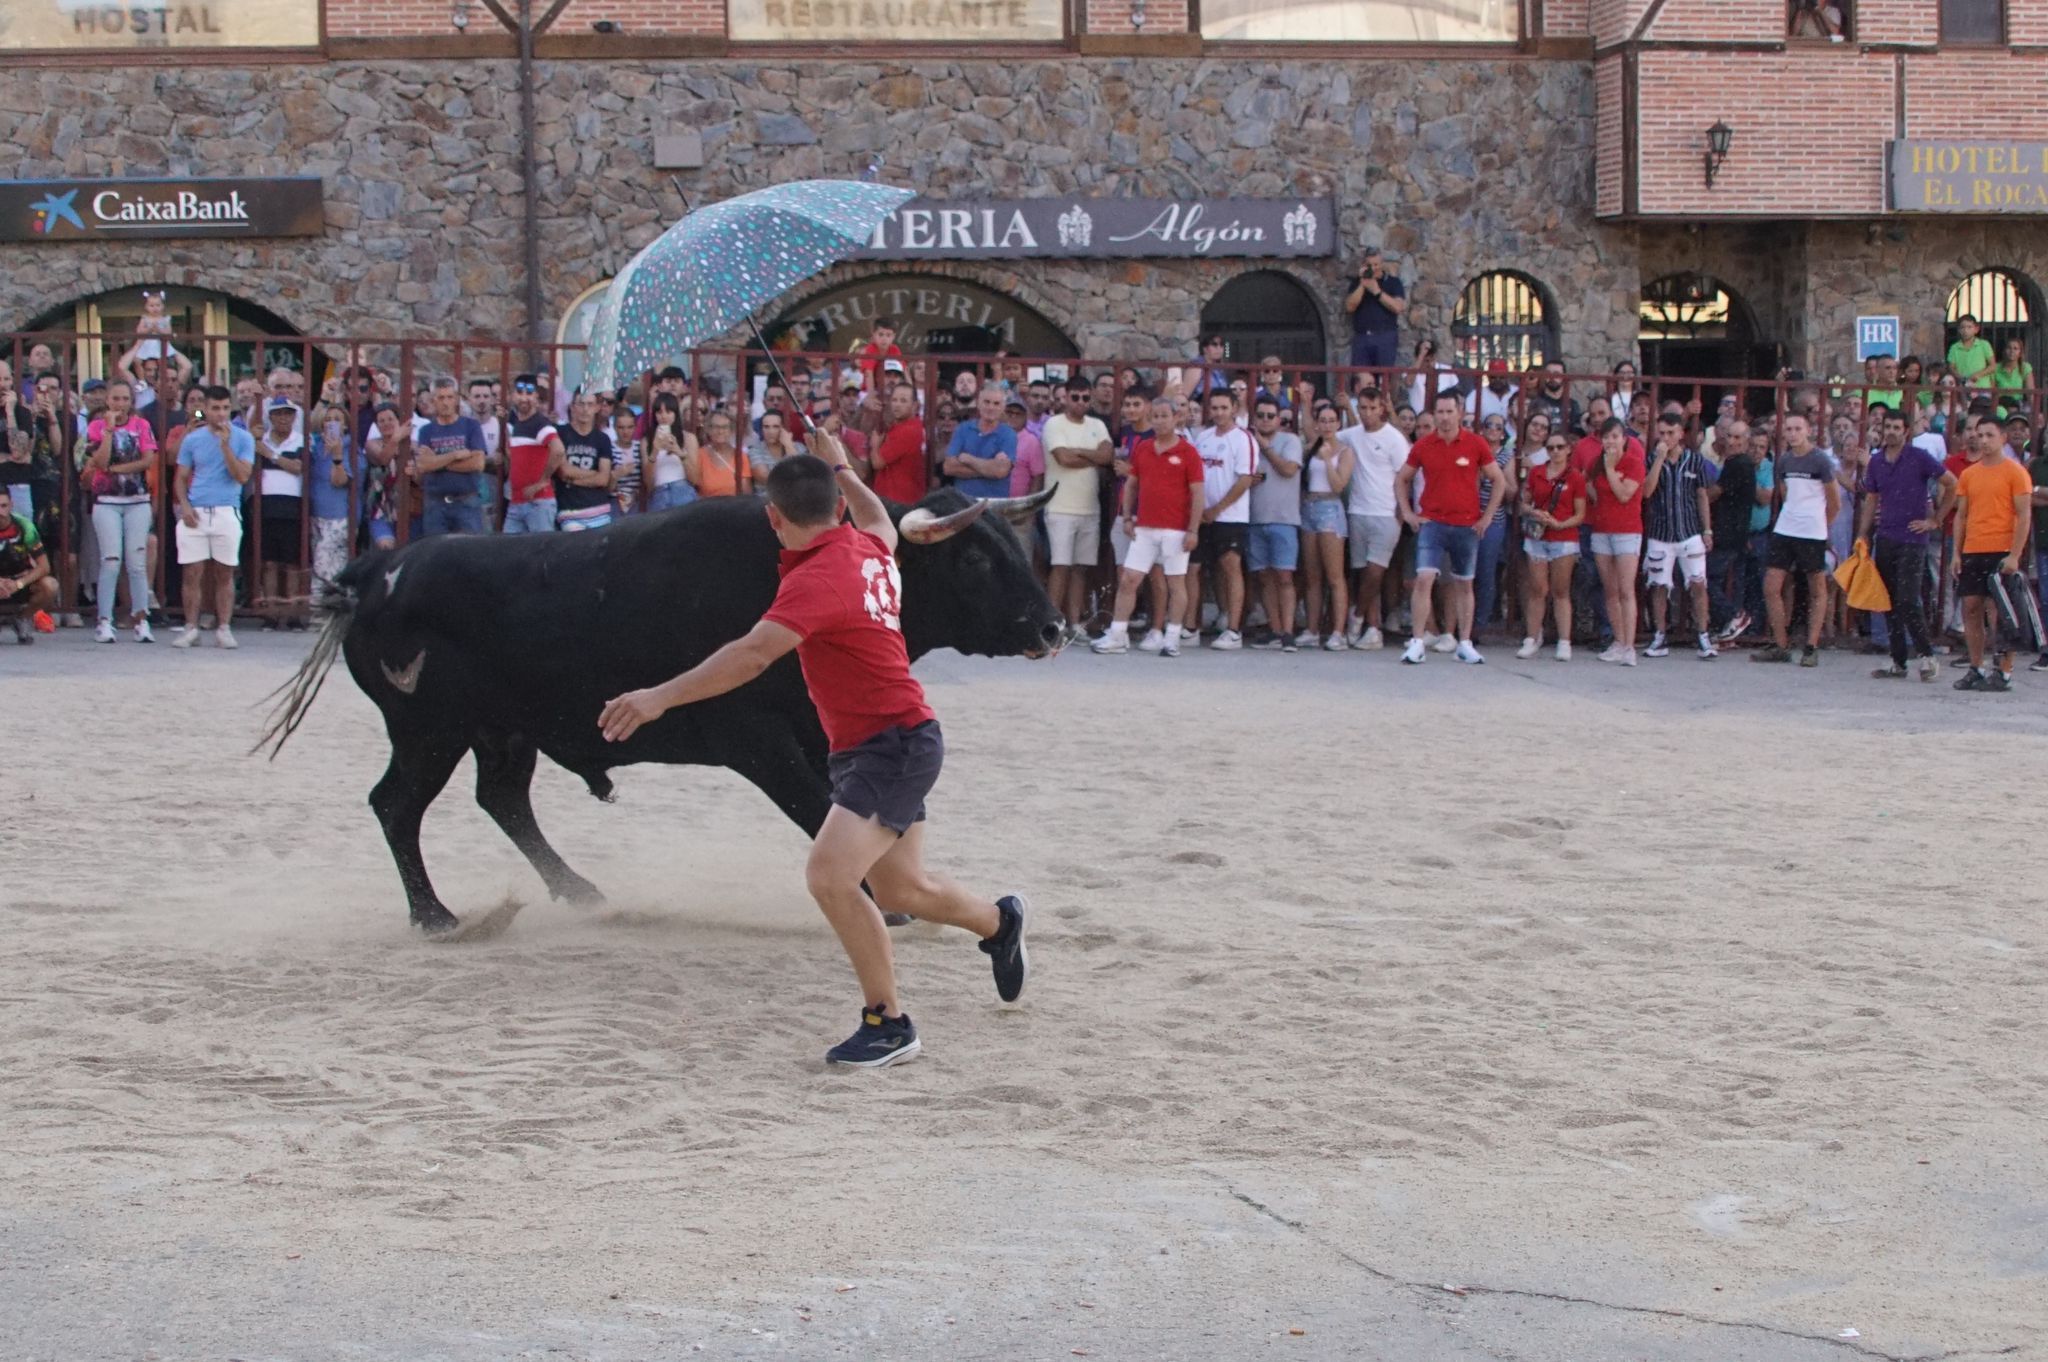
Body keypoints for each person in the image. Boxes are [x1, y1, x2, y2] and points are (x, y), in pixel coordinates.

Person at [597, 440, 1029, 1069]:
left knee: (830, 877)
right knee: (902, 887)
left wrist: (658, 697)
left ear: (774, 517)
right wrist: (845, 465)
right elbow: (879, 518)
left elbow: (749, 656)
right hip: (888, 741)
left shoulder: (817, 579)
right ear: (836, 507)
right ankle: (1000, 923)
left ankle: (888, 1022)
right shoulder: (869, 547)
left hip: (892, 746)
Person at [1396, 391, 1511, 665]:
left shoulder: (1476, 444)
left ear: (1460, 412)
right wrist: (1409, 513)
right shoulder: (1424, 445)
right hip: (1432, 522)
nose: (1445, 418)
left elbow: (1499, 481)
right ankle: (1417, 642)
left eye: (1450, 412)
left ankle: (1465, 642)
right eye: (1440, 412)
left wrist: (1486, 517)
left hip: (1466, 525)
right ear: (1434, 414)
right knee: (1424, 579)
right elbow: (1402, 479)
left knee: (1463, 583)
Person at [1094, 394, 1205, 658]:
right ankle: (1118, 635)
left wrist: (1193, 530)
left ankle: (1172, 637)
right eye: (1155, 416)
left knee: (1175, 582)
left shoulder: (1188, 452)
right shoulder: (1143, 448)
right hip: (1144, 527)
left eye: (1165, 416)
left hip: (1176, 529)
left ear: (1176, 418)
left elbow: (1198, 493)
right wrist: (1129, 516)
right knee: (1129, 579)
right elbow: (1132, 485)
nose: (1159, 421)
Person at [1858, 406, 1954, 682]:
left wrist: (1935, 520)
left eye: (1896, 428)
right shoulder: (1876, 461)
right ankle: (1899, 661)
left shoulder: (1919, 457)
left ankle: (1927, 656)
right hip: (1886, 535)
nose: (1890, 432)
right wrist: (1864, 533)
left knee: (1908, 599)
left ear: (1907, 431)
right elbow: (1872, 499)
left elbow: (1952, 483)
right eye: (1887, 427)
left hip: (1913, 537)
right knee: (1888, 600)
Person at [1950, 418, 2033, 691]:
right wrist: (1957, 553)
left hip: (2001, 550)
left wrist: (2014, 555)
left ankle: (2004, 670)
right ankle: (1977, 667)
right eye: (1979, 435)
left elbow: (2023, 515)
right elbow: (1961, 516)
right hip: (1974, 549)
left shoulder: (2015, 472)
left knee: (2001, 613)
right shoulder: (1969, 475)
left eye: (1989, 435)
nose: (1983, 440)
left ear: (2003, 438)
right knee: (1971, 609)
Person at [1752, 413, 1840, 666]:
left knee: (1817, 588)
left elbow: (1834, 500)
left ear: (1808, 430)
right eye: (1788, 429)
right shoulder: (1785, 460)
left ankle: (1811, 646)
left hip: (1812, 531)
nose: (1792, 434)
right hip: (1786, 527)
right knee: (1771, 586)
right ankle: (1781, 644)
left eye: (1797, 429)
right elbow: (1785, 493)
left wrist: (1822, 524)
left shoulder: (1820, 460)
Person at [172, 386, 256, 649]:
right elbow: (181, 478)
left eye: (225, 408)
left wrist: (226, 446)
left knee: (225, 572)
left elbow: (242, 476)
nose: (221, 414)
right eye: (215, 408)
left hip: (226, 510)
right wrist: (184, 505)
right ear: (205, 409)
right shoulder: (192, 439)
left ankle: (224, 627)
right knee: (192, 573)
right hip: (196, 510)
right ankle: (191, 627)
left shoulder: (243, 438)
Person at [85, 379, 159, 643]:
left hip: (137, 500)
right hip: (106, 501)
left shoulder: (142, 425)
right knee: (111, 560)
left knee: (137, 563)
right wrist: (108, 431)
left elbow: (147, 460)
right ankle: (105, 621)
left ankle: (141, 619)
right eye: (115, 399)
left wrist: (116, 470)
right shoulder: (95, 426)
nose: (120, 404)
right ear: (108, 400)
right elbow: (100, 461)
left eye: (125, 399)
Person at [1640, 412, 1719, 660]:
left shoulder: (1694, 461)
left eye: (1670, 433)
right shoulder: (1652, 458)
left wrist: (1707, 529)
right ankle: (1660, 634)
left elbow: (1701, 496)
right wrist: (1658, 460)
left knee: (1698, 583)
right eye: (1662, 433)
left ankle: (1702, 634)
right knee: (1659, 585)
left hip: (1689, 531)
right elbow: (1647, 491)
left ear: (1680, 433)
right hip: (1661, 533)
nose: (1666, 438)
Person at [1038, 378, 1113, 640]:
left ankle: (1075, 623)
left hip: (1090, 508)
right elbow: (1063, 458)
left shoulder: (1098, 425)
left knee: (1081, 568)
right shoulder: (1054, 424)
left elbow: (1107, 456)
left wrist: (1081, 452)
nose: (1080, 402)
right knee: (1060, 566)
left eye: (1084, 397)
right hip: (1060, 506)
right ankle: (1052, 623)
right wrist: (1092, 455)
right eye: (1075, 397)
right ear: (1065, 398)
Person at [1338, 384, 1408, 649]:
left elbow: (1404, 477)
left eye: (1372, 408)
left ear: (1382, 408)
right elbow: (1327, 438)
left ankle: (1357, 616)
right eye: (1363, 408)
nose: (1367, 413)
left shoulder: (1394, 439)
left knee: (1375, 572)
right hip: (1357, 511)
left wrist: (1401, 514)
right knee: (1362, 571)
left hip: (1385, 513)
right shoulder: (1352, 435)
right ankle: (1373, 628)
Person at [1190, 388, 1259, 650]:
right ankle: (1190, 627)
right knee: (1193, 569)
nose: (1219, 413)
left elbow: (1245, 480)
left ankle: (1233, 630)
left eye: (1223, 408)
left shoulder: (1244, 439)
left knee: (1231, 568)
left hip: (1231, 516)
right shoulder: (1203, 437)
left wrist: (1217, 509)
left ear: (1233, 408)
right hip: (1202, 516)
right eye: (1214, 408)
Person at [1516, 430, 1586, 659]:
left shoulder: (1575, 477)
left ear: (1568, 449)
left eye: (1559, 447)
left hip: (1563, 537)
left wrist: (1559, 524)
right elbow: (1523, 503)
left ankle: (1564, 641)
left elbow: (1580, 513)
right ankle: (1532, 637)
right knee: (1537, 590)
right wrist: (1534, 512)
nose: (1555, 452)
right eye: (1550, 448)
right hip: (1538, 536)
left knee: (1560, 590)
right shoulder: (1536, 473)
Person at [1583, 418, 1646, 665]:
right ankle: (1618, 641)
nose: (1610, 441)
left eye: (1615, 436)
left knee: (1625, 589)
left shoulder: (1633, 464)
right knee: (1609, 589)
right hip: (1601, 530)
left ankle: (1630, 646)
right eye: (1606, 437)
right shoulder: (1595, 464)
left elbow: (1623, 494)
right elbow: (1587, 482)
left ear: (1624, 439)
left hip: (1627, 531)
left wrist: (1610, 469)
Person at [1243, 396, 1304, 650]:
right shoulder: (1247, 443)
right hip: (1256, 518)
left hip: (1284, 519)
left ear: (1279, 419)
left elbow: (1289, 470)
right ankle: (1275, 629)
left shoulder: (1289, 440)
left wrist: (1264, 446)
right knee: (1265, 578)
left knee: (1285, 576)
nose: (1265, 420)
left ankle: (1288, 631)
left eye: (1270, 416)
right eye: (1261, 415)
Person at [1295, 403, 1353, 652]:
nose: (1327, 425)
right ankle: (1312, 629)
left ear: (1338, 424)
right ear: (1317, 424)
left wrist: (1328, 461)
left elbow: (1339, 485)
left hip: (1330, 508)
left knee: (1335, 575)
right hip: (1309, 508)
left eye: (1332, 420)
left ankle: (1338, 632)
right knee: (1312, 576)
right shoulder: (1309, 449)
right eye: (1323, 421)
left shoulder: (1345, 451)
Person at [253, 398, 308, 623]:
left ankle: (293, 613)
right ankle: (272, 613)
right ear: (270, 417)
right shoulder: (260, 440)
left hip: (292, 505)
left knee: (292, 562)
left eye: (288, 413)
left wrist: (271, 455)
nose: (283, 418)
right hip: (265, 505)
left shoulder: (301, 441)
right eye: (278, 413)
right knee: (269, 562)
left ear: (295, 417)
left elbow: (298, 467)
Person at [412, 378, 489, 536]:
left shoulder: (471, 426)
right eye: (441, 398)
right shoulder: (426, 431)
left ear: (457, 399)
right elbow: (423, 465)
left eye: (449, 397)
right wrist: (454, 455)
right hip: (436, 504)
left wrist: (437, 461)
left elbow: (478, 463)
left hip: (466, 501)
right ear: (433, 400)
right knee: (436, 555)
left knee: (470, 554)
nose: (445, 402)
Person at [308, 405, 363, 606]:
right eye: (328, 419)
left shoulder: (350, 448)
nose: (332, 423)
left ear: (346, 425)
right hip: (316, 514)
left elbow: (340, 481)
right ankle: (336, 605)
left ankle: (318, 605)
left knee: (323, 561)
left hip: (340, 516)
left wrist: (337, 455)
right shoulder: (315, 445)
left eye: (337, 419)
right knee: (332, 563)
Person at [502, 374, 563, 533]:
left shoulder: (540, 423)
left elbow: (558, 450)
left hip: (538, 503)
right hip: (517, 501)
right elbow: (512, 455)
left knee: (541, 554)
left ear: (536, 396)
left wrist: (542, 481)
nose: (524, 398)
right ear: (512, 395)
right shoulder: (517, 424)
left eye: (529, 393)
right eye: (520, 393)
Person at [0, 486, 58, 644]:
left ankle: (22, 618)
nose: (0, 512)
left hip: (19, 580)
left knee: (50, 585)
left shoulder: (24, 527)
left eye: (3, 506)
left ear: (11, 505)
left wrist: (18, 584)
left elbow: (44, 566)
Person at [552, 391, 615, 532]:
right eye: (581, 404)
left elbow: (603, 479)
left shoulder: (603, 439)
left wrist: (573, 480)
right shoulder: (560, 433)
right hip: (569, 512)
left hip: (600, 510)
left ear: (597, 407)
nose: (585, 409)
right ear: (573, 407)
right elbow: (564, 471)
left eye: (590, 404)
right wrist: (594, 473)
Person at [1343, 247, 1408, 376]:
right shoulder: (1357, 283)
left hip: (1385, 336)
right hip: (1362, 337)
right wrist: (1363, 284)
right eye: (1369, 265)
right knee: (1361, 378)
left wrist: (1377, 291)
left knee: (1385, 378)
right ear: (1364, 265)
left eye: (1376, 264)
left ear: (1382, 264)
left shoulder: (1393, 282)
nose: (1373, 268)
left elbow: (1398, 307)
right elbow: (1350, 307)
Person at [942, 387, 1015, 500]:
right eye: (986, 402)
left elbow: (1000, 471)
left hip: (994, 505)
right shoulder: (963, 429)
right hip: (962, 503)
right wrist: (989, 469)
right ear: (978, 403)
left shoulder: (1009, 434)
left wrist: (969, 459)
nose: (991, 407)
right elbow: (949, 467)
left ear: (1003, 408)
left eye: (996, 403)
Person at [868, 383, 927, 505]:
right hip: (897, 499)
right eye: (894, 400)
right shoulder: (904, 427)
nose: (897, 405)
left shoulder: (908, 430)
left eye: (903, 401)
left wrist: (875, 445)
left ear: (915, 405)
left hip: (899, 501)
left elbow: (877, 463)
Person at [688, 411, 751, 498]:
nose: (720, 431)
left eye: (725, 427)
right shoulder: (700, 455)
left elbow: (746, 492)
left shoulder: (740, 456)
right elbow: (694, 486)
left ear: (731, 430)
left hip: (734, 508)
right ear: (708, 430)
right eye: (716, 427)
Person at [609, 405, 643, 516]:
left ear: (635, 427)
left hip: (636, 502)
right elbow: (606, 488)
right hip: (614, 503)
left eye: (629, 427)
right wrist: (615, 476)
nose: (625, 431)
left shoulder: (640, 447)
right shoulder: (609, 448)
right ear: (614, 427)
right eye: (621, 427)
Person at [1947, 314, 1996, 389]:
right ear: (1958, 330)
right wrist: (1962, 378)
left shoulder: (1984, 345)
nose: (1965, 331)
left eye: (1969, 327)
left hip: (1982, 388)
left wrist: (1979, 375)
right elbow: (1951, 368)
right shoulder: (1954, 348)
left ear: (1976, 329)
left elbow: (1992, 366)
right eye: (1962, 327)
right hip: (1963, 388)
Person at [1992, 338, 2032, 416]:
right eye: (2009, 348)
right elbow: (1991, 390)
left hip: (2017, 404)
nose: (2012, 351)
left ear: (2020, 353)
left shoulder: (2025, 367)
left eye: (2015, 348)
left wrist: (2034, 410)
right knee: (2000, 412)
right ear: (2004, 351)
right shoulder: (1995, 368)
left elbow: (2030, 393)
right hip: (2000, 404)